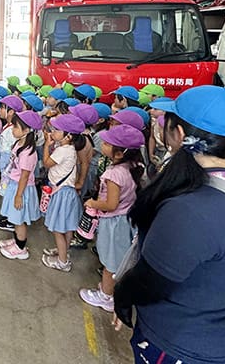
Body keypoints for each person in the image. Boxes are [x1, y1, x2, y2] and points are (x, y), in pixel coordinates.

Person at [113, 85, 225, 364]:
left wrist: (121, 295)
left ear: (180, 134)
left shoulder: (192, 209)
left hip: (183, 345)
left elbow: (151, 282)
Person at [79, 124, 144, 313]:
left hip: (114, 221)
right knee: (115, 257)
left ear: (119, 153)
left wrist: (92, 203)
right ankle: (108, 291)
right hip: (125, 218)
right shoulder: (134, 166)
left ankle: (106, 296)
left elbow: (110, 204)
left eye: (107, 143)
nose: (103, 145)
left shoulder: (114, 174)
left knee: (110, 262)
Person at [41, 114, 86, 272]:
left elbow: (47, 163)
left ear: (68, 136)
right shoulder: (68, 149)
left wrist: (47, 145)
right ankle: (63, 252)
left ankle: (62, 262)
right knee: (66, 227)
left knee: (57, 229)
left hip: (61, 194)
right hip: (67, 192)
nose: (52, 132)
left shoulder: (63, 151)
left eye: (56, 130)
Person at [0, 109, 44, 260]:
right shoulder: (20, 144)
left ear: (26, 130)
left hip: (21, 188)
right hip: (14, 184)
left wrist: (18, 196)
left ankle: (21, 248)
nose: (12, 129)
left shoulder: (29, 153)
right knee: (15, 217)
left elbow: (24, 177)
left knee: (20, 219)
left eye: (16, 127)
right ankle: (17, 240)